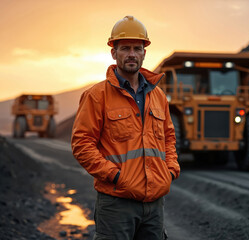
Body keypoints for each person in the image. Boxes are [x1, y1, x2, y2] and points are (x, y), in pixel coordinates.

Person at [71, 15, 180, 240]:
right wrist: (116, 176)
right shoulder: (96, 96)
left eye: (137, 48)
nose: (132, 54)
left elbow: (168, 137)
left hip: (154, 205)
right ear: (114, 53)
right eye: (125, 48)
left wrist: (169, 171)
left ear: (144, 53)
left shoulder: (158, 96)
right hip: (116, 203)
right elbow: (82, 144)